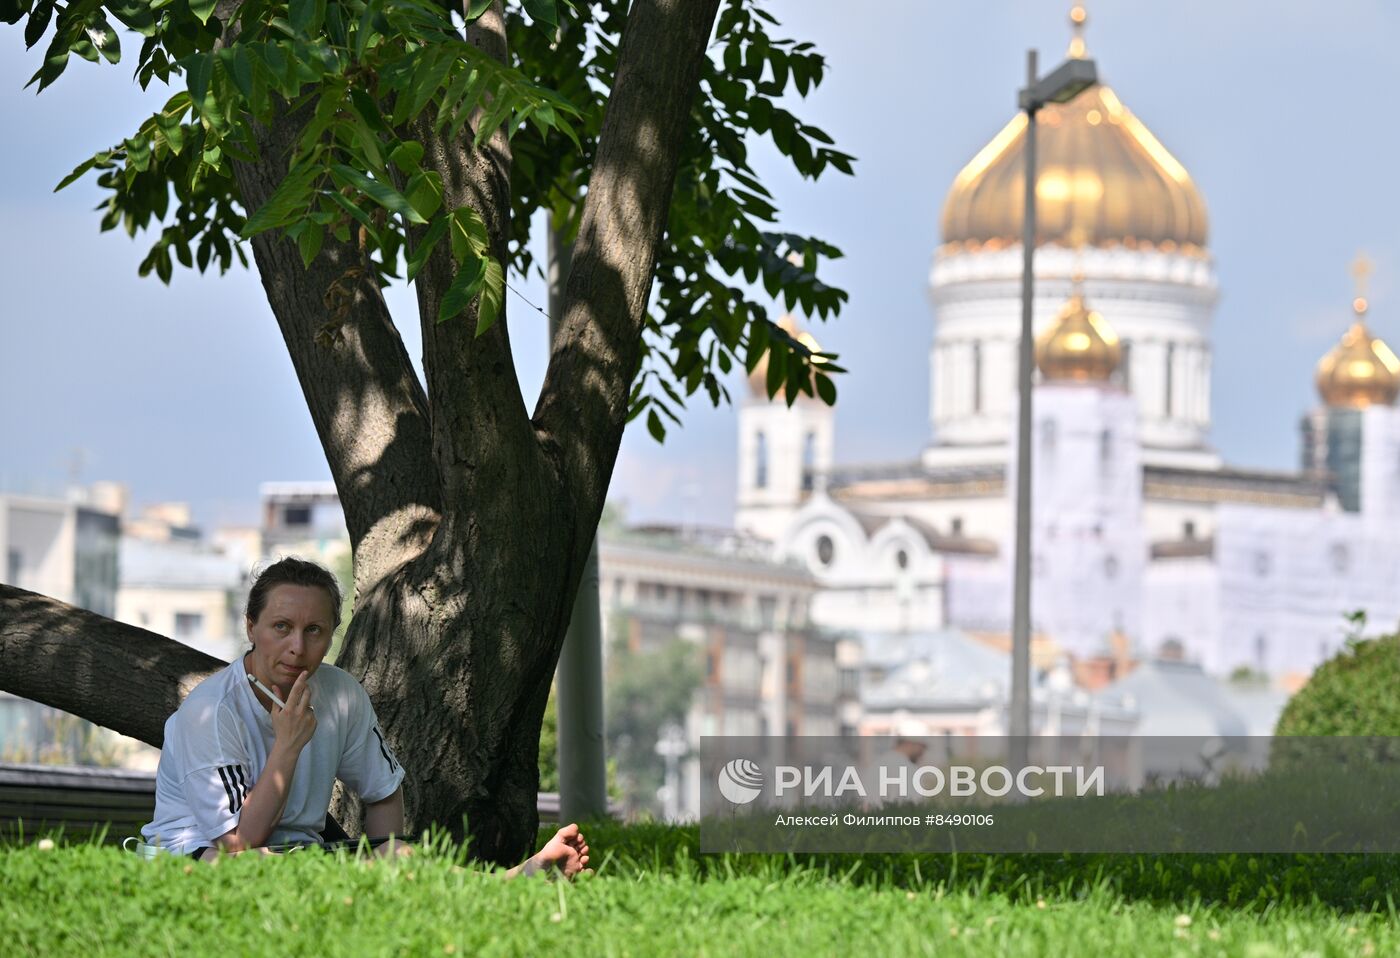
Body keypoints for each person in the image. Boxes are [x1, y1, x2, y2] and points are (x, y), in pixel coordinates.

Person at [139, 556, 590, 877]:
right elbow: (239, 842)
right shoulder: (212, 712)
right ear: (250, 627)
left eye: (314, 631)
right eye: (281, 627)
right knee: (260, 868)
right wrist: (288, 745)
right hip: (199, 857)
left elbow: (383, 792)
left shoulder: (340, 694)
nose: (297, 647)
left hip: (299, 854)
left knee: (403, 857)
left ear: (331, 634)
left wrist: (381, 864)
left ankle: (512, 882)